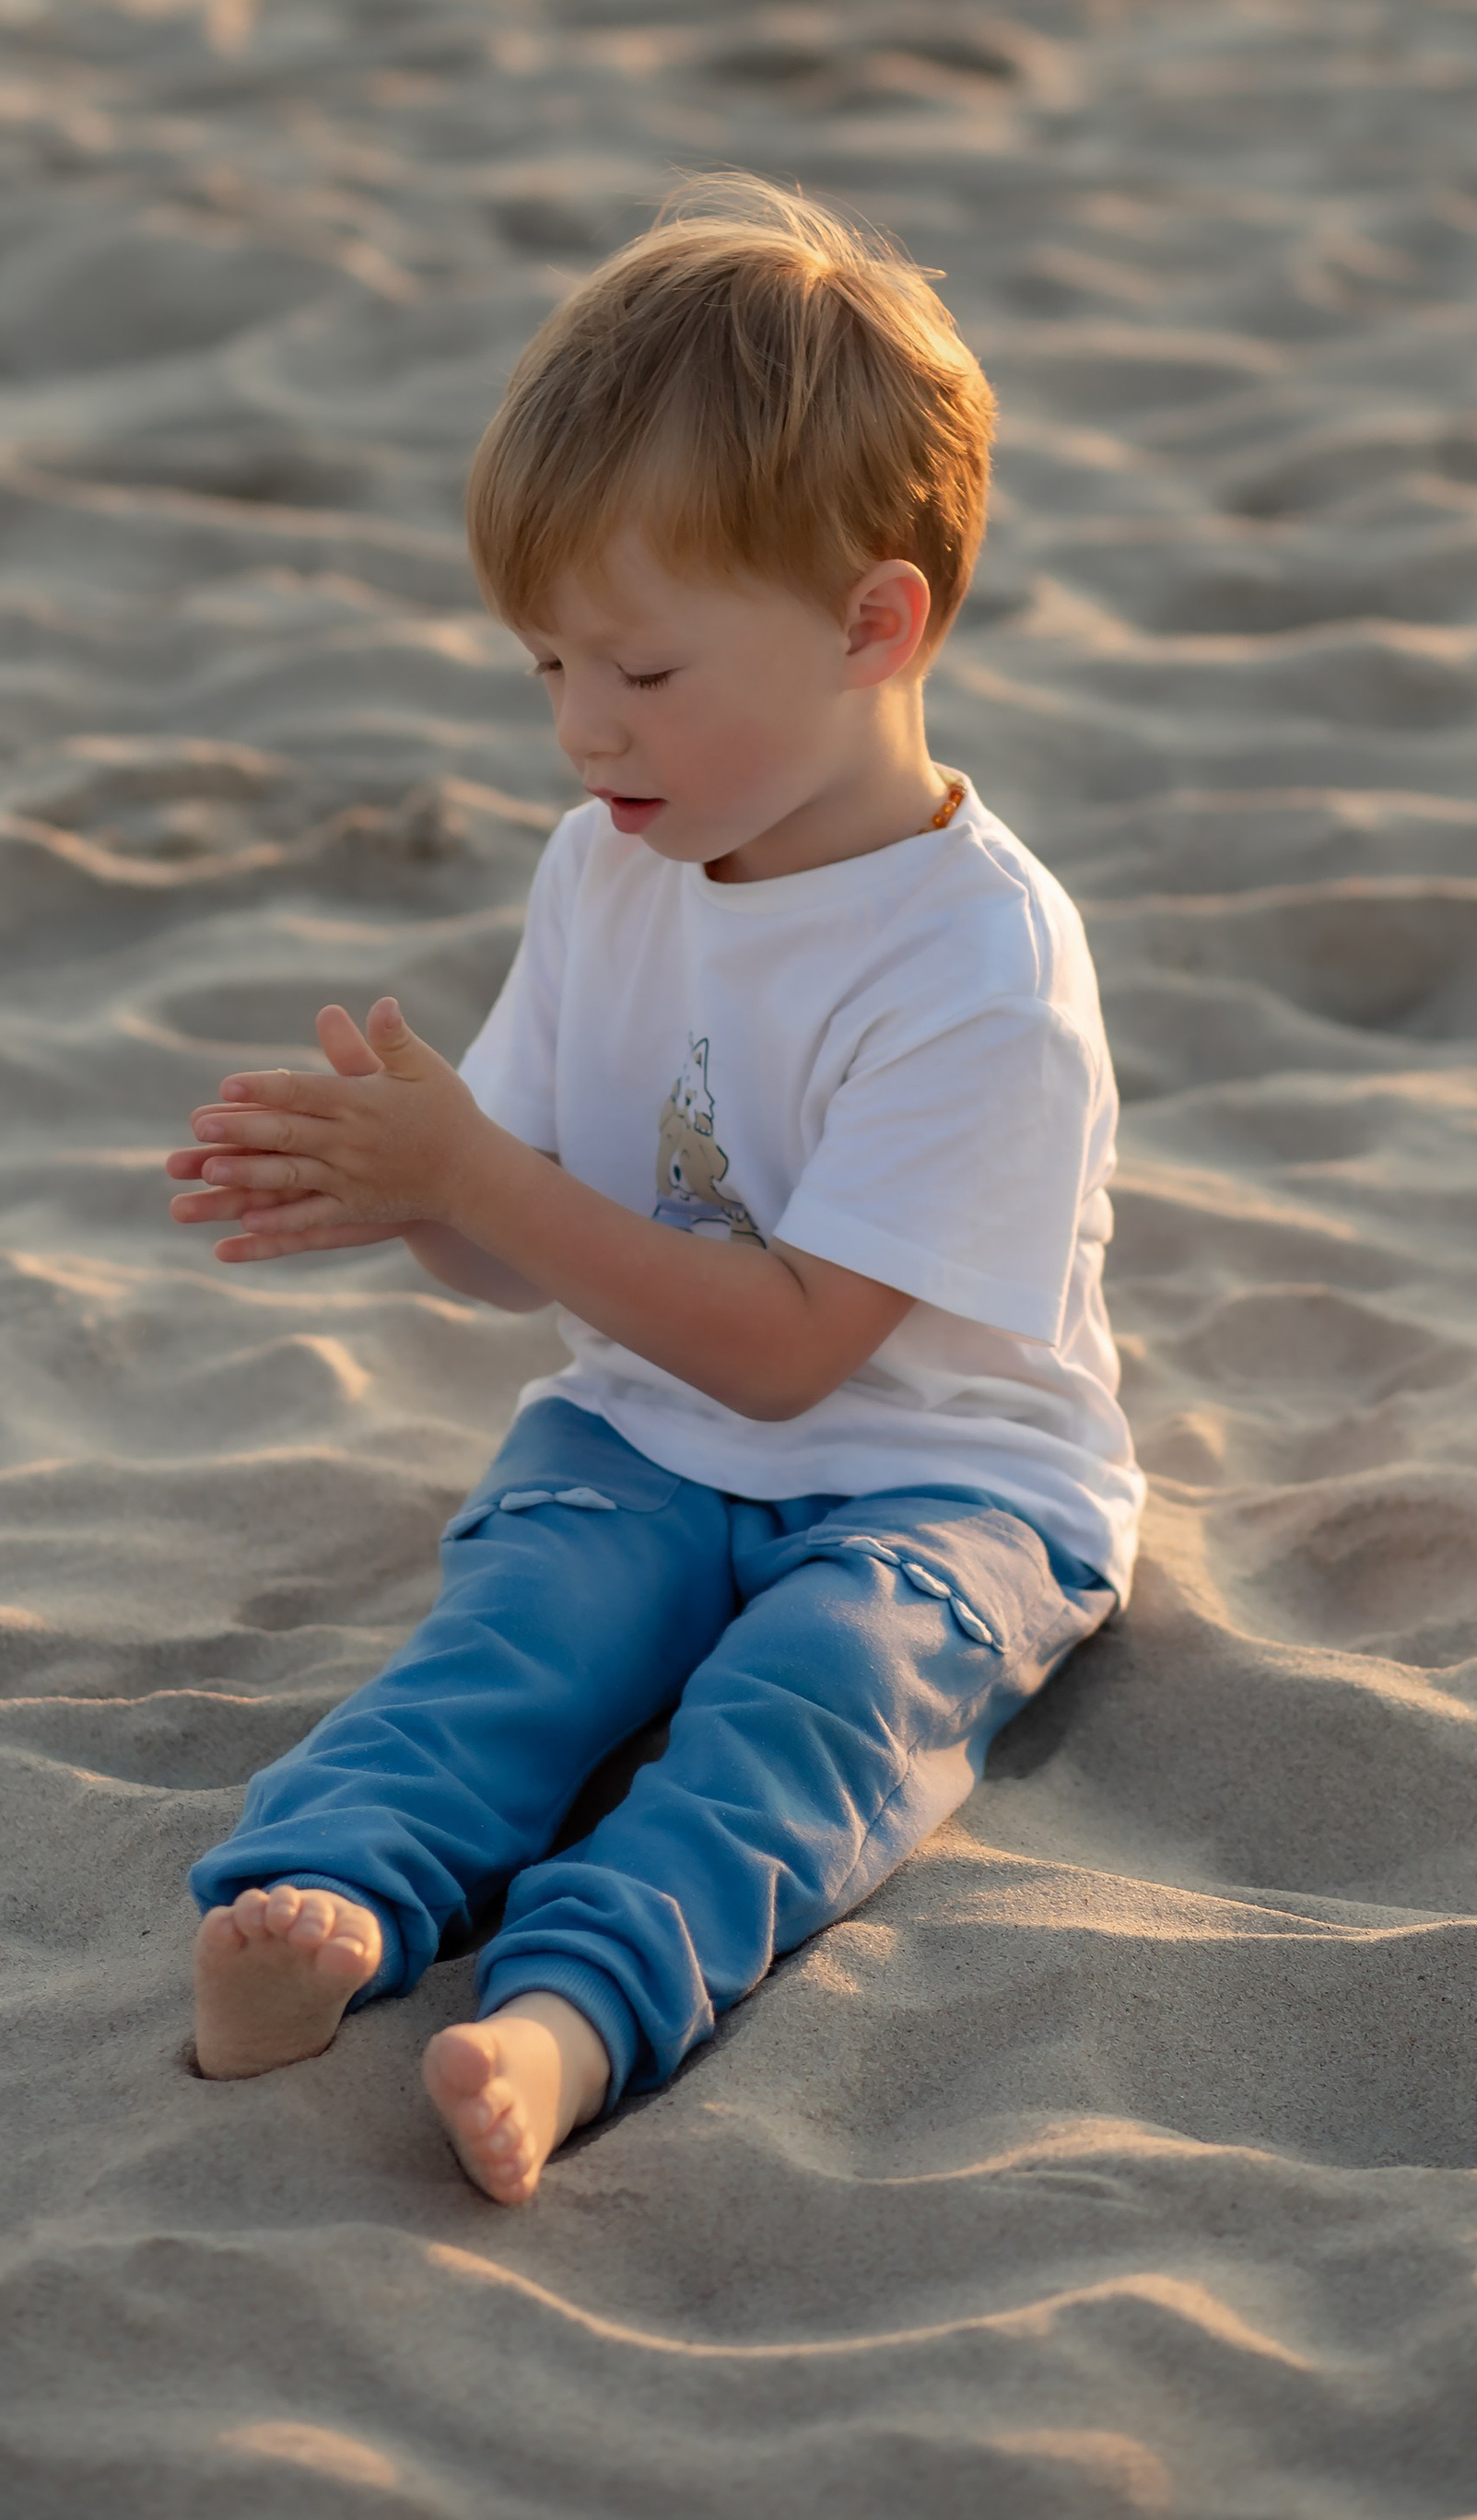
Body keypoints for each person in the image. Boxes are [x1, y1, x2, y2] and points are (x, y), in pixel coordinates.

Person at [165, 179, 1142, 2203]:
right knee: (522, 1625)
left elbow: (789, 1357)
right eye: (541, 668)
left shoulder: (976, 968)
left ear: (878, 624)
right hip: (646, 1426)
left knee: (809, 1708)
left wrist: (483, 1190)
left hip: (937, 1478)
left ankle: (568, 2016)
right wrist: (402, 1183)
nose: (580, 730)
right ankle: (325, 1904)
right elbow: (521, 1226)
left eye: (638, 670)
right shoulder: (611, 854)